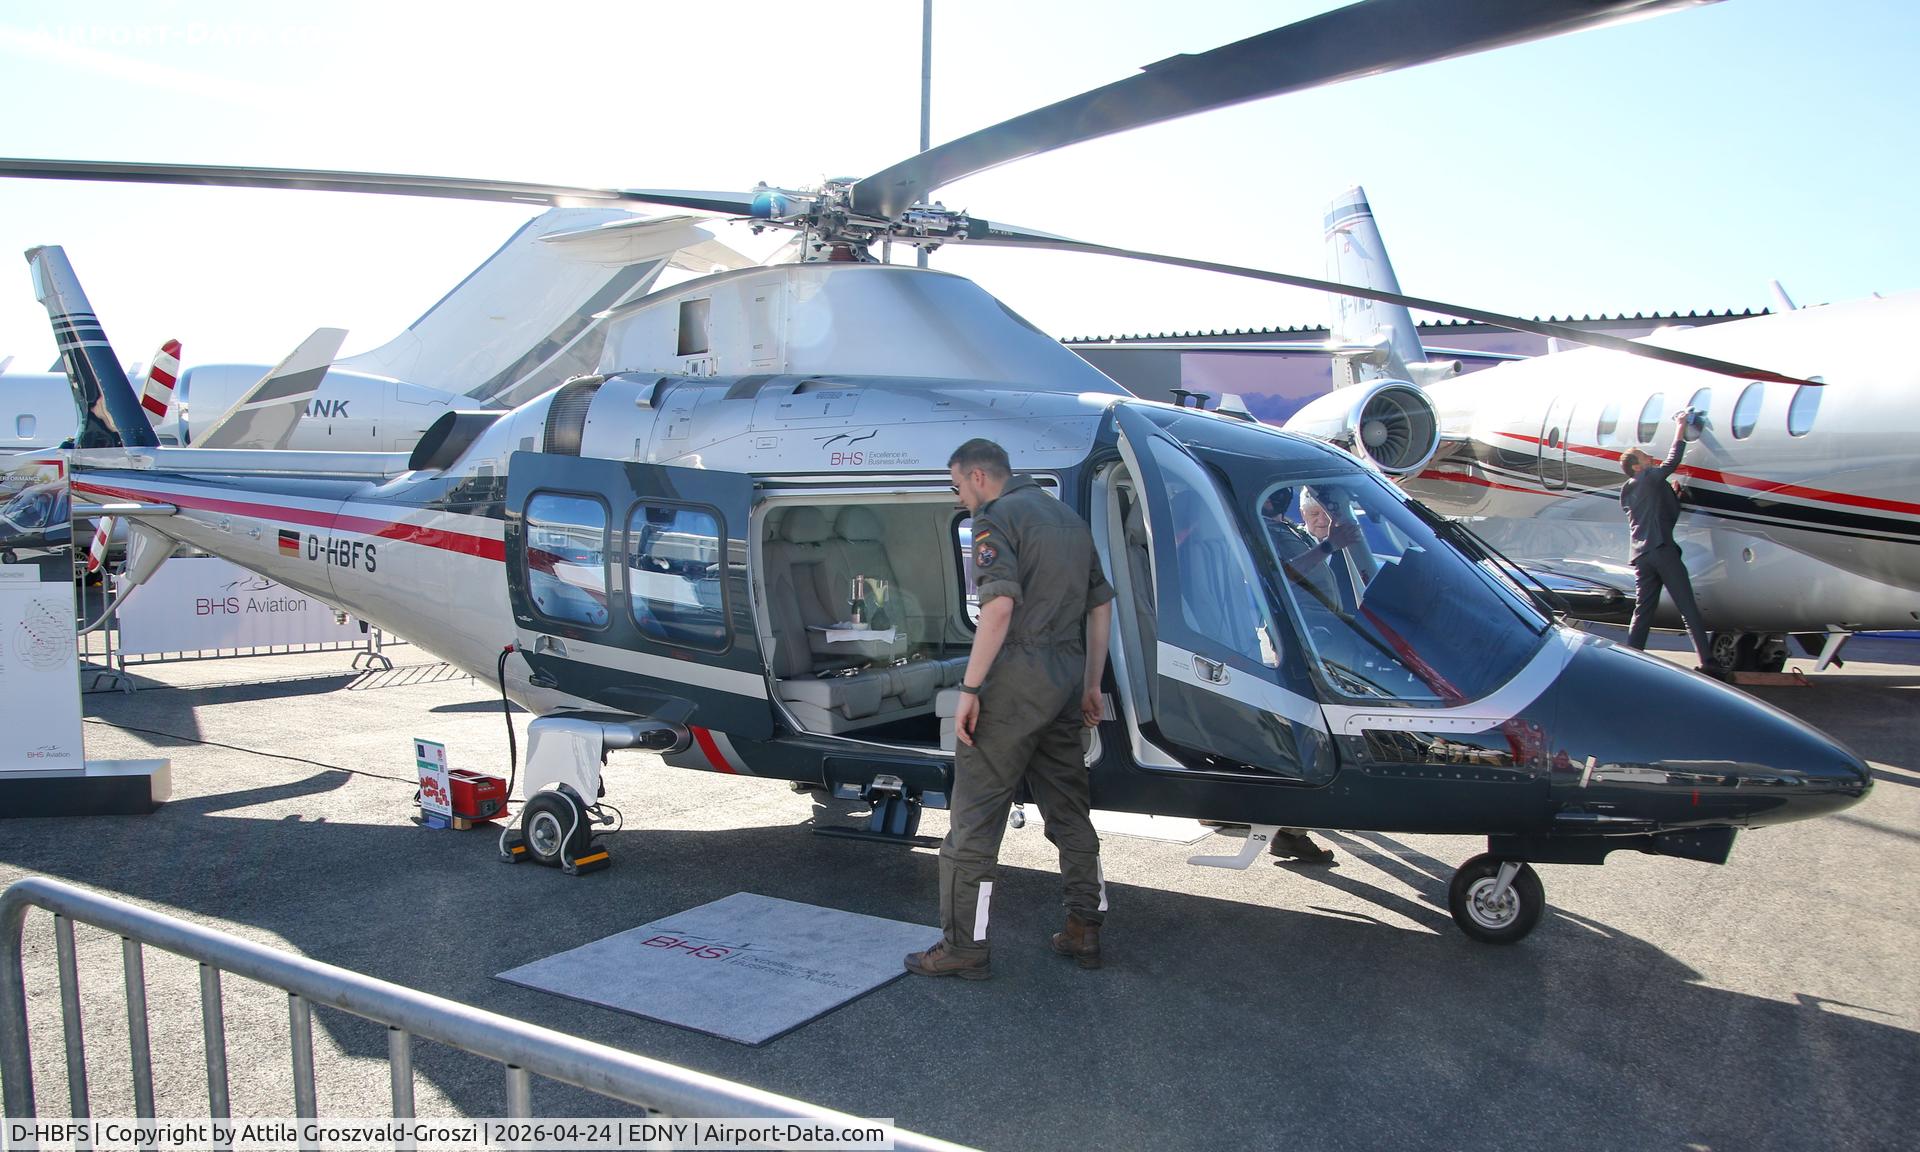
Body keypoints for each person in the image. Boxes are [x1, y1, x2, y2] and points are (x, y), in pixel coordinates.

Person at [905, 438, 1114, 980]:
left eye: (957, 487)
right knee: (1070, 813)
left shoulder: (997, 518)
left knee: (972, 825)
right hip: (1066, 680)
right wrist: (1091, 684)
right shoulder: (1066, 517)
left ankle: (964, 949)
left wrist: (970, 691)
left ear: (978, 476)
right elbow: (1101, 605)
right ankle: (1083, 929)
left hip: (1014, 686)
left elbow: (997, 608)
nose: (960, 500)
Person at [1621, 410, 1721, 676]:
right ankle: (1708, 662)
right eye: (1644, 458)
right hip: (1662, 551)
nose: (1649, 459)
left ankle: (1631, 659)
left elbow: (1654, 510)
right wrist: (1680, 428)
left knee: (1642, 611)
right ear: (1636, 466)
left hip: (1641, 556)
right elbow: (1672, 461)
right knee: (1687, 606)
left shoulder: (1628, 489)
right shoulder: (1648, 477)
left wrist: (1672, 496)